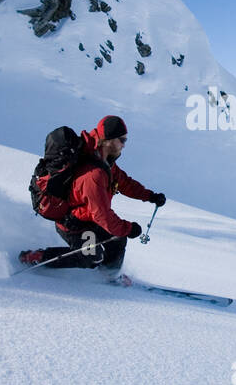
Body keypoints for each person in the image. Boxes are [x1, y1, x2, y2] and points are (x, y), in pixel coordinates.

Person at [19, 115, 166, 277]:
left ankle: (109, 277)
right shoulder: (93, 175)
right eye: (122, 140)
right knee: (91, 256)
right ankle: (37, 257)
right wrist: (129, 228)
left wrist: (150, 196)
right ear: (109, 140)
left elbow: (124, 182)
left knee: (117, 239)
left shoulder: (103, 160)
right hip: (74, 225)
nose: (124, 145)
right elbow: (103, 215)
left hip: (88, 218)